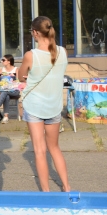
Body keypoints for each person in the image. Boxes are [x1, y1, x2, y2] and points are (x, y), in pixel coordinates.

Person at [17, 16, 71, 193]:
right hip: (54, 106)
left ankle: (46, 192)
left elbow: (20, 76)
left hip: (34, 106)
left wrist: (25, 74)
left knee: (40, 151)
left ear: (35, 33)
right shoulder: (62, 51)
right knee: (54, 148)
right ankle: (67, 186)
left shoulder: (31, 55)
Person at [0, 54, 21, 123]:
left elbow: (19, 82)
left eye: (3, 60)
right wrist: (0, 81)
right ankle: (6, 117)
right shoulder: (1, 70)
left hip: (14, 90)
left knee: (5, 91)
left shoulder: (16, 69)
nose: (2, 62)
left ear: (9, 61)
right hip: (5, 90)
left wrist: (13, 79)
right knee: (5, 93)